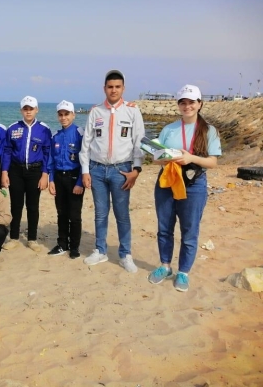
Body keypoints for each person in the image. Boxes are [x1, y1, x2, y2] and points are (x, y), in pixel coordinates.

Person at [148, 85, 221, 292]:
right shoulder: (168, 129)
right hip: (167, 182)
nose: (187, 106)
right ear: (178, 105)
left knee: (189, 231)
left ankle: (183, 272)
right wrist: (164, 158)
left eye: (191, 102)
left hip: (193, 184)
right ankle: (165, 266)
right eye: (183, 102)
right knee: (164, 228)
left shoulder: (209, 131)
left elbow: (213, 162)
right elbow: (155, 159)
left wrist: (190, 158)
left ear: (199, 104)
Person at [79, 69, 145, 273]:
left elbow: (139, 142)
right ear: (104, 88)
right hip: (97, 170)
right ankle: (100, 250)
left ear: (123, 88)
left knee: (122, 214)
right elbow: (86, 143)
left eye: (117, 87)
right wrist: (85, 170)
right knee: (100, 213)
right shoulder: (96, 111)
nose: (113, 90)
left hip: (121, 171)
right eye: (110, 87)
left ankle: (125, 255)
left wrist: (136, 170)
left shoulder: (132, 111)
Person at [1, 96, 51, 252]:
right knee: (16, 205)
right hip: (15, 170)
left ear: (37, 110)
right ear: (21, 110)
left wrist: (45, 174)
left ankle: (32, 239)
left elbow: (47, 153)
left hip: (35, 171)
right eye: (25, 109)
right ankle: (14, 237)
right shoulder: (13, 128)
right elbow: (7, 151)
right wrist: (4, 172)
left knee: (33, 206)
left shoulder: (44, 129)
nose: (28, 111)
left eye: (31, 109)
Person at [47, 100, 85, 259]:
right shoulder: (55, 135)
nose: (64, 117)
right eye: (61, 115)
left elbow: (85, 160)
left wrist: (80, 182)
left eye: (67, 114)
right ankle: (62, 244)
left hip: (74, 177)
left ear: (73, 115)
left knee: (74, 215)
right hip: (59, 178)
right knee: (61, 213)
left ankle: (74, 247)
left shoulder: (80, 133)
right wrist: (51, 180)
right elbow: (51, 159)